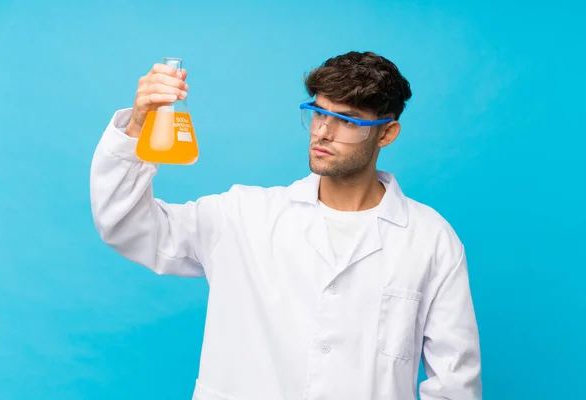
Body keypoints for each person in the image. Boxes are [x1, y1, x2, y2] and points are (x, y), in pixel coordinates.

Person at [90, 51, 482, 400]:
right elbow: (125, 224)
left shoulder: (430, 239)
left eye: (346, 120)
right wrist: (137, 127)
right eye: (319, 113)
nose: (323, 132)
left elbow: (455, 382)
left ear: (388, 132)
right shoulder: (243, 215)